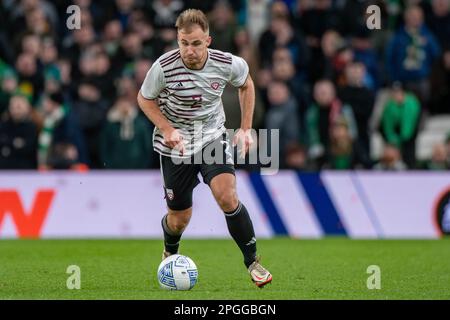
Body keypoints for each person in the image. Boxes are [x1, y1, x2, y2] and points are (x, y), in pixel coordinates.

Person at [137, 9, 272, 288]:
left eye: (196, 43)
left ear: (208, 41)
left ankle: (253, 263)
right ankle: (170, 253)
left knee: (227, 196)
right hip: (175, 146)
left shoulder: (226, 63)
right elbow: (144, 98)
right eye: (184, 43)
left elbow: (246, 84)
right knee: (179, 219)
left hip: (210, 137)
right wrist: (166, 128)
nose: (189, 50)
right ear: (178, 40)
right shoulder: (163, 67)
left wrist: (246, 129)